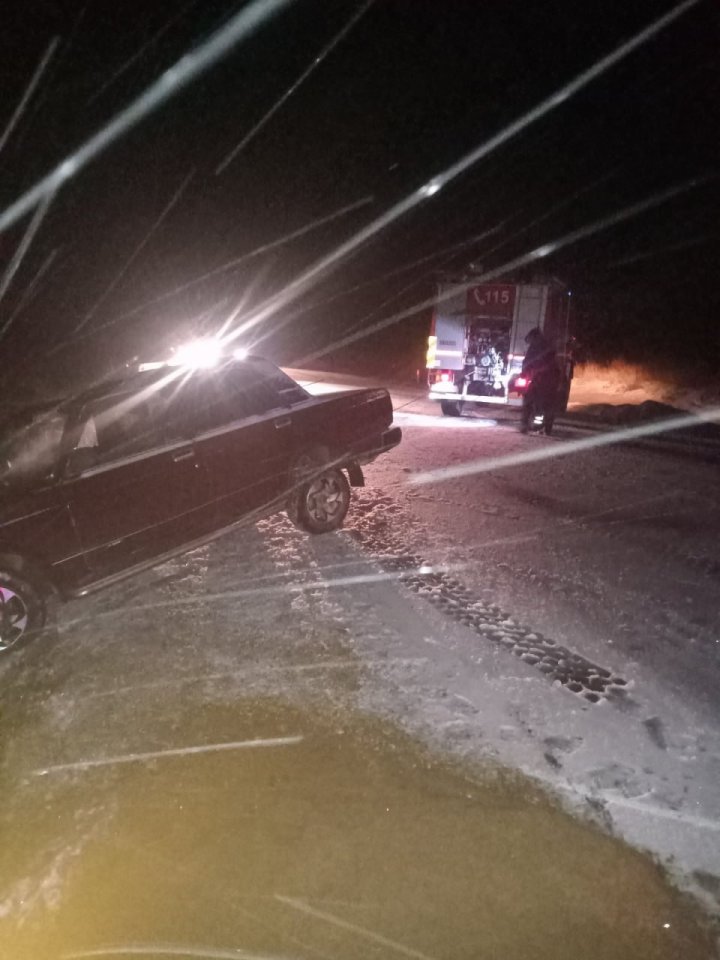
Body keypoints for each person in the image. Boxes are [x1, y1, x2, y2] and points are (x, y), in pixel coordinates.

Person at [519, 327, 560, 434]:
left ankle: (530, 425)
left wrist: (526, 373)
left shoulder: (537, 347)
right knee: (542, 404)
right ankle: (539, 426)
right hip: (545, 381)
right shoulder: (547, 346)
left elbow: (527, 362)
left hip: (543, 380)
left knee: (532, 402)